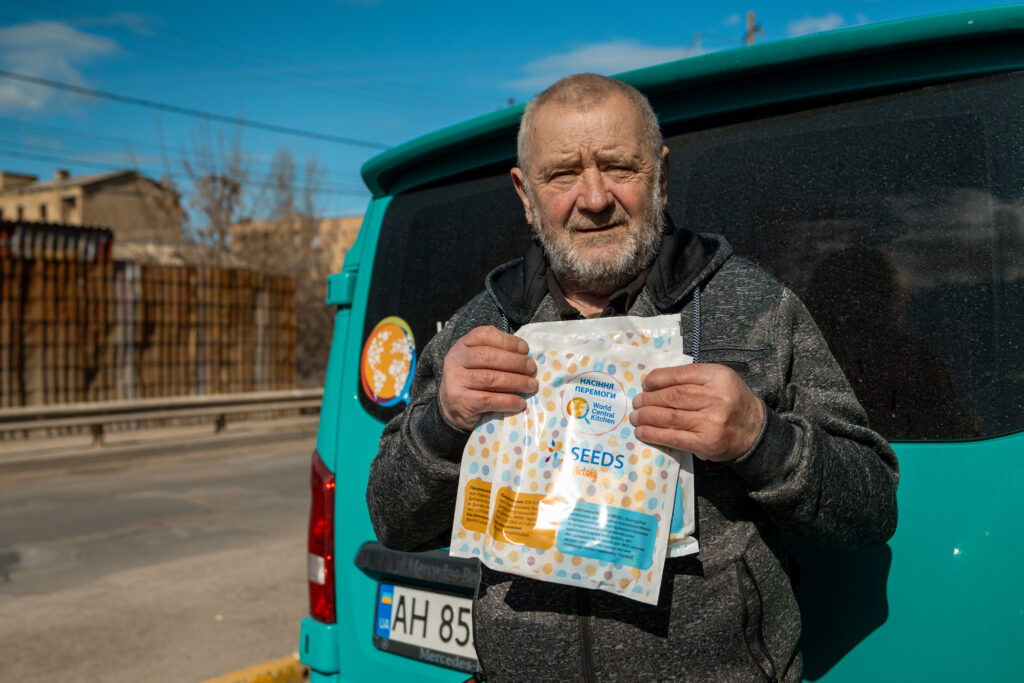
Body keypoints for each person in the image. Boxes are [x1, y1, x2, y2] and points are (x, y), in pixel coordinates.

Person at [367, 73, 899, 682]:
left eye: (620, 167)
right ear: (525, 192)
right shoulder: (479, 328)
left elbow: (873, 507)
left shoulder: (757, 310)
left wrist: (762, 438)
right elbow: (394, 520)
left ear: (662, 176)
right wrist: (443, 424)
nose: (594, 199)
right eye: (562, 174)